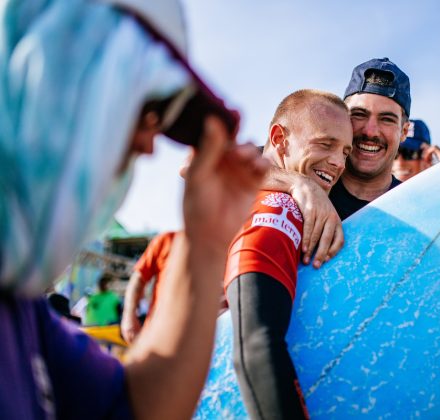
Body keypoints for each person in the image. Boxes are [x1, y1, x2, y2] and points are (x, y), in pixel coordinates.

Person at [0, 0, 268, 418]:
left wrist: (208, 242)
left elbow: (133, 407)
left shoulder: (20, 307)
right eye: (146, 109)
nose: (149, 145)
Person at [225, 89, 353, 419]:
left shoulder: (251, 195)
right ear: (280, 139)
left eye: (345, 151)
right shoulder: (279, 207)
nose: (339, 162)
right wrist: (299, 184)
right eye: (325, 144)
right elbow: (255, 346)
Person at [263, 58, 412, 266]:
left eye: (387, 119)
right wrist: (299, 184)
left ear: (404, 131)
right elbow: (227, 164)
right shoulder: (309, 172)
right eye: (359, 115)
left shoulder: (413, 206)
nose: (370, 131)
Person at [121, 231, 175, 343]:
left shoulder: (216, 249)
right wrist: (129, 315)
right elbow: (138, 278)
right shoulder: (166, 240)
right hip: (157, 333)